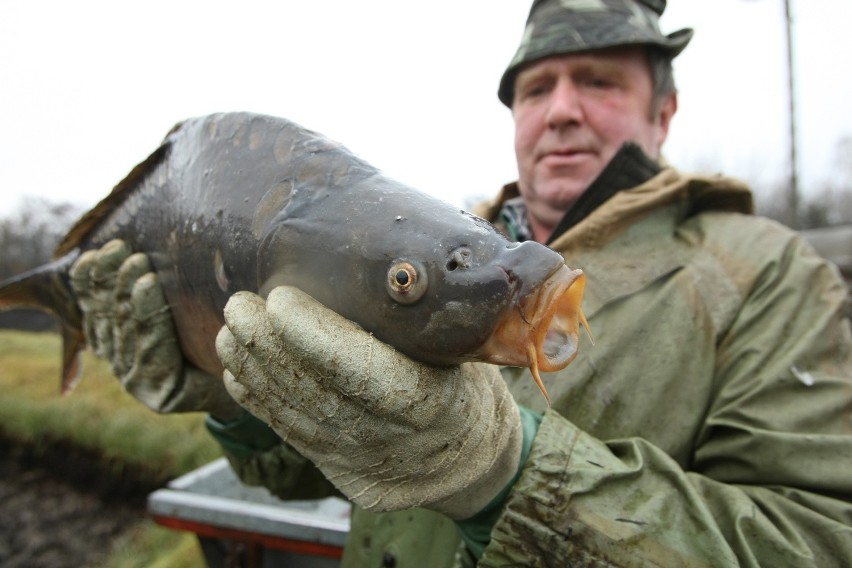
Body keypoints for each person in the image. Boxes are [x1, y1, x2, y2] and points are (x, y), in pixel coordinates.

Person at [69, 0, 852, 565]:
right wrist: (226, 386)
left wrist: (501, 473)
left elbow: (819, 541)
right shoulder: (428, 242)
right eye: (537, 90)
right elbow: (304, 472)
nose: (562, 111)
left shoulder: (767, 273)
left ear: (665, 110)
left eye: (600, 82)